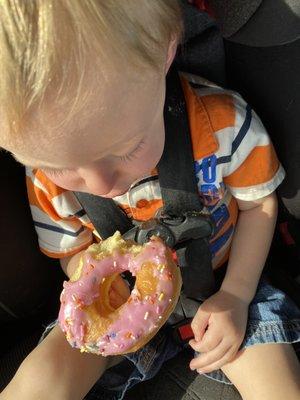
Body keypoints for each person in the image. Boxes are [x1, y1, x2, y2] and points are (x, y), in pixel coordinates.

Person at [0, 1, 300, 400]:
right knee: (43, 375)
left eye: (125, 150)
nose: (101, 184)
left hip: (225, 286)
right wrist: (86, 282)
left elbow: (258, 203)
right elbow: (72, 251)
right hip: (118, 302)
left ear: (164, 52)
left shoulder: (221, 124)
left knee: (275, 381)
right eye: (63, 167)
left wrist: (237, 294)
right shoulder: (46, 180)